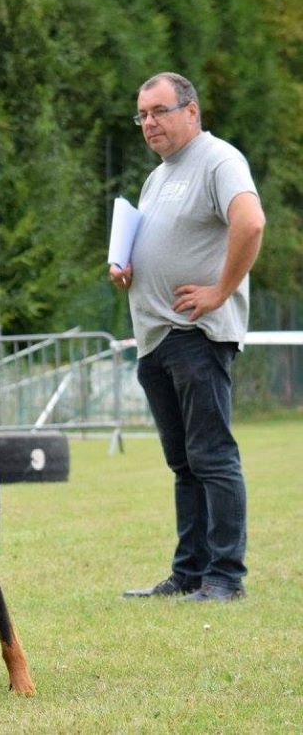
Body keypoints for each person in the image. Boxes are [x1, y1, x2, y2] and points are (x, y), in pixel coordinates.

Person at [111, 72, 265, 603]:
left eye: (160, 110)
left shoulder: (218, 160)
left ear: (191, 111)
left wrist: (221, 291)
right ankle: (189, 573)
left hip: (197, 334)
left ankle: (226, 577)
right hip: (155, 339)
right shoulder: (159, 176)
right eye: (143, 115)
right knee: (184, 464)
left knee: (212, 457)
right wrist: (129, 266)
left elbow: (251, 222)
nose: (149, 122)